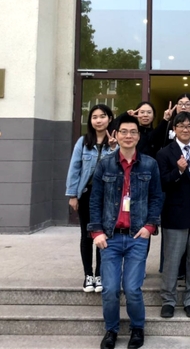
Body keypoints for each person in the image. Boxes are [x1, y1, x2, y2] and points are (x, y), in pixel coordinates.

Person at [89, 114, 164, 349]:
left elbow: (157, 197)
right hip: (110, 237)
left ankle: (137, 328)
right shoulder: (105, 164)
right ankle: (111, 330)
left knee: (132, 289)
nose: (128, 136)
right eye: (124, 131)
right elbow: (95, 200)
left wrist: (150, 226)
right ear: (116, 135)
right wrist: (96, 231)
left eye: (133, 132)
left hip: (136, 236)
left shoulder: (150, 164)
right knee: (110, 289)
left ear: (138, 136)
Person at [156, 112, 190, 319]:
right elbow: (162, 183)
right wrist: (178, 171)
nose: (185, 129)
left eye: (189, 126)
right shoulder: (164, 153)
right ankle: (168, 300)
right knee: (172, 258)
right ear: (174, 129)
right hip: (175, 211)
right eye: (181, 125)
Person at [65, 104, 118, 293]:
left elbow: (118, 168)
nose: (98, 120)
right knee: (87, 235)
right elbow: (74, 169)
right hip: (87, 194)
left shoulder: (116, 142)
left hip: (107, 196)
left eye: (102, 116)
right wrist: (73, 195)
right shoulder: (83, 142)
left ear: (109, 119)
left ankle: (100, 274)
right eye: (94, 117)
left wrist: (113, 148)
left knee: (104, 234)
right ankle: (88, 275)